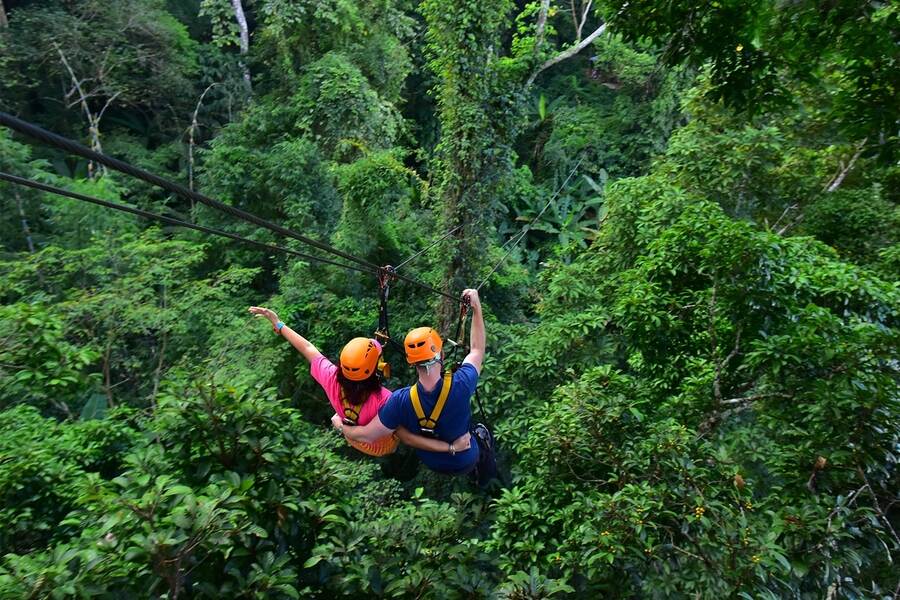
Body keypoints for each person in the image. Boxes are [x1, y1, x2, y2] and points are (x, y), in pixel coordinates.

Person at [248, 306, 470, 457]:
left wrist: (278, 324)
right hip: (381, 446)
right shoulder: (386, 400)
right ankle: (341, 423)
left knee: (341, 418)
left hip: (354, 438)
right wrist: (451, 447)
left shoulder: (331, 377)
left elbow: (307, 348)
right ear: (377, 370)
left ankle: (340, 422)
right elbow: (408, 437)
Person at [337, 289, 496, 484]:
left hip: (431, 461)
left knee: (402, 426)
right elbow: (477, 349)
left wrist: (342, 426)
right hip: (465, 459)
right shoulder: (462, 383)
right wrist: (476, 307)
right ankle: (483, 475)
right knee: (480, 433)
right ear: (442, 355)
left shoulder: (399, 402)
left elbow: (367, 436)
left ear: (411, 362)